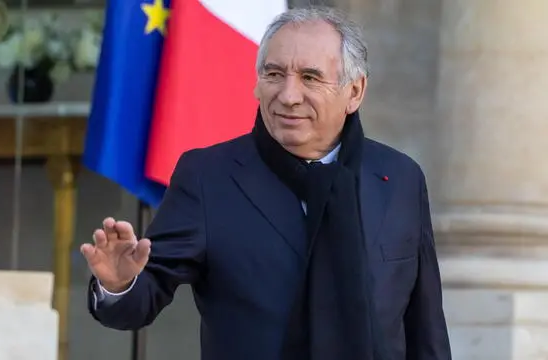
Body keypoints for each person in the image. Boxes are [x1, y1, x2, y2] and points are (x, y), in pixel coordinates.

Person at [82, 6, 452, 360]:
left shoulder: (399, 179)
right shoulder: (209, 177)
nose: (288, 96)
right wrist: (119, 285)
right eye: (274, 75)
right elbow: (142, 299)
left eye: (310, 77)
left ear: (354, 92)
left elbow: (425, 329)